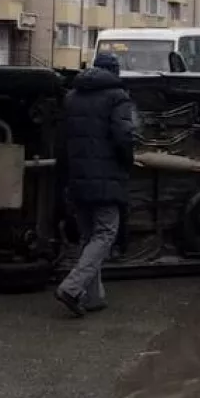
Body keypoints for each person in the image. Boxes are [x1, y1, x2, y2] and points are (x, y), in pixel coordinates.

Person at [57, 52, 136, 316]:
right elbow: (124, 136)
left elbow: (62, 141)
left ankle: (94, 297)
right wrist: (128, 161)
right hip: (106, 178)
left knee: (90, 237)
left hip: (78, 179)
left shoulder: (71, 97)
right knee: (105, 234)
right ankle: (72, 287)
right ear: (115, 72)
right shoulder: (118, 97)